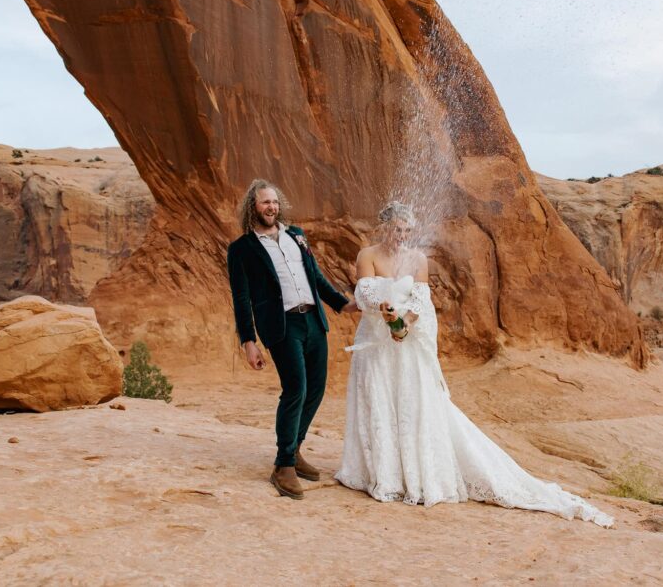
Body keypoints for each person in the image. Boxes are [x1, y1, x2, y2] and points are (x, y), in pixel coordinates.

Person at [335, 201, 614, 527]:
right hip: (376, 345)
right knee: (379, 402)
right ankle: (382, 474)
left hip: (406, 344)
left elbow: (421, 301)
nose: (402, 236)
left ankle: (414, 474)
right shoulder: (367, 255)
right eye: (397, 229)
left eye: (407, 230)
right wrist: (384, 311)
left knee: (412, 403)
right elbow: (366, 293)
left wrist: (404, 326)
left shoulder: (417, 259)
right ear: (385, 227)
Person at [227, 178, 358, 500]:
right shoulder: (242, 249)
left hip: (314, 320)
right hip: (282, 326)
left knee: (316, 389)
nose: (270, 207)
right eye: (264, 203)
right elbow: (241, 298)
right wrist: (249, 341)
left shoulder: (296, 236)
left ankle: (294, 449)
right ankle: (283, 465)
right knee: (295, 389)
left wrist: (343, 304)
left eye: (274, 202)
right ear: (252, 207)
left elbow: (315, 276)